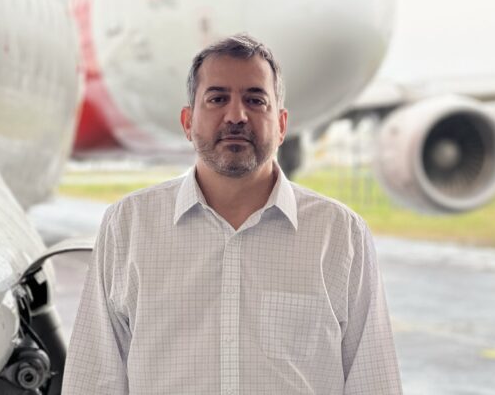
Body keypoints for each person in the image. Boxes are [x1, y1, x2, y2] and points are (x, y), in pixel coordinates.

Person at [63, 34, 402, 394]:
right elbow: (93, 382)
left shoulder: (340, 236)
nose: (236, 116)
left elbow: (373, 384)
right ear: (188, 122)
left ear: (283, 124)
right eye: (217, 98)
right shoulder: (128, 227)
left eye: (256, 100)